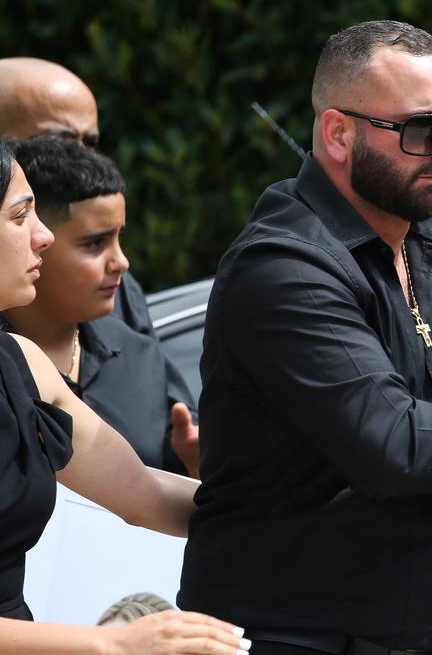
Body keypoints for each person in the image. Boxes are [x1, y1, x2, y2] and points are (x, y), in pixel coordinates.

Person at [179, 20, 432, 655]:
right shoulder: (285, 267)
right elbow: (392, 442)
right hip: (288, 637)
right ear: (338, 134)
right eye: (424, 130)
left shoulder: (418, 243)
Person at [0, 141, 249, 655]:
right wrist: (111, 644)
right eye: (21, 216)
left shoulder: (20, 363)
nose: (43, 236)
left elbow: (145, 494)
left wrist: (292, 513)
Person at [0, 57, 197, 458]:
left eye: (90, 141)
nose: (78, 156)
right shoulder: (12, 359)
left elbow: (142, 486)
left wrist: (201, 472)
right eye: (56, 142)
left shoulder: (127, 325)